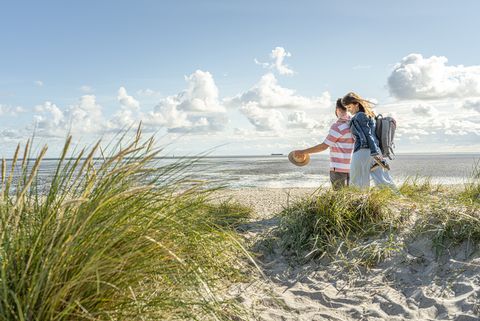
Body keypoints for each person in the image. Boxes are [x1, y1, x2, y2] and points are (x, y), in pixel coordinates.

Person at [293, 99, 354, 190]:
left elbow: (323, 146)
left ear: (337, 109)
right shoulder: (353, 124)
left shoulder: (337, 127)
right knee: (350, 196)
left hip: (337, 168)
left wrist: (303, 152)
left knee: (339, 196)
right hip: (352, 167)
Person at [340, 92, 396, 190]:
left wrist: (374, 153)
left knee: (357, 180)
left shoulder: (360, 116)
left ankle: (359, 203)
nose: (348, 110)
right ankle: (399, 199)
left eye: (349, 107)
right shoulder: (367, 115)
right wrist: (377, 153)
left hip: (363, 151)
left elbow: (368, 134)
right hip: (374, 150)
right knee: (383, 179)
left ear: (356, 104)